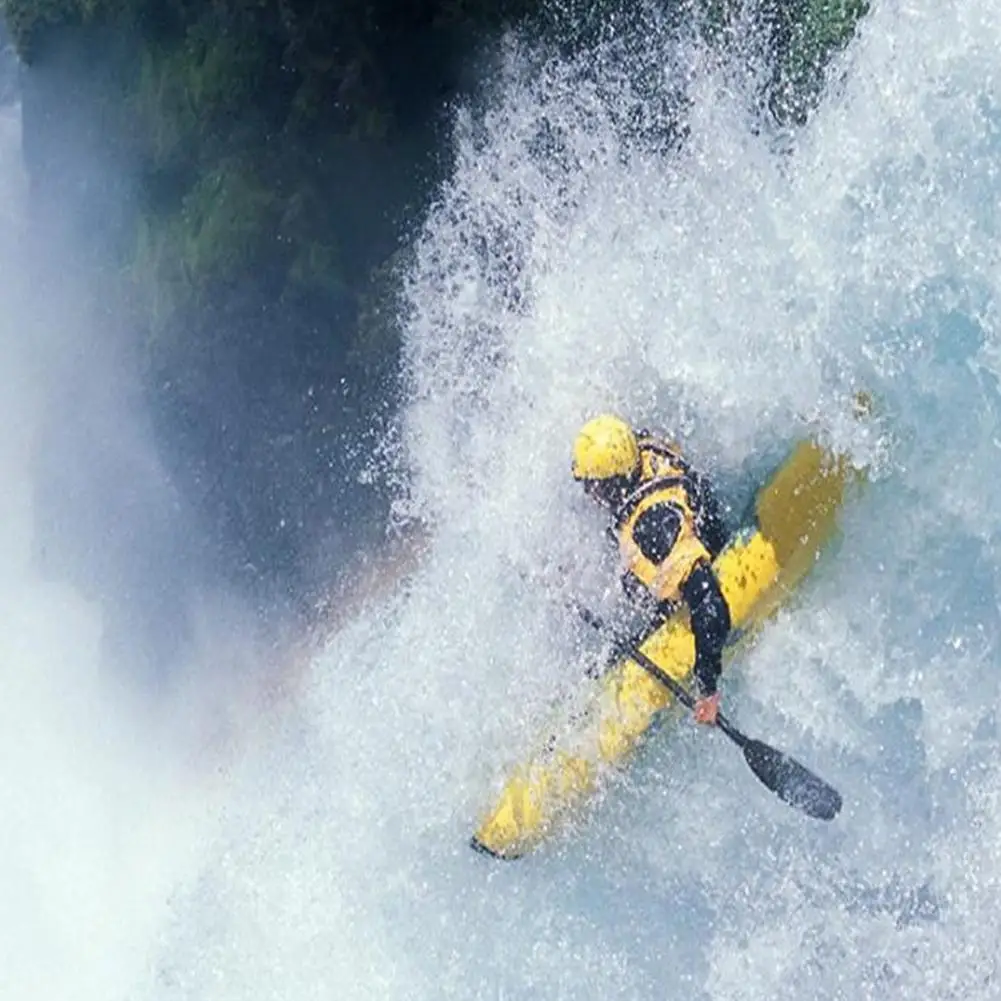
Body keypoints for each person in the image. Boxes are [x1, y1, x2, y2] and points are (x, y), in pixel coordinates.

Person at [571, 413, 732, 725]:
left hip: (699, 571)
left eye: (593, 488)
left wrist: (707, 688)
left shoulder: (652, 529)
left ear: (611, 486)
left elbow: (709, 601)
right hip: (690, 526)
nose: (589, 497)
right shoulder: (643, 449)